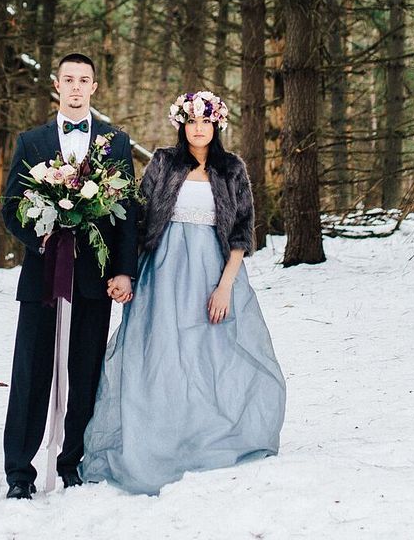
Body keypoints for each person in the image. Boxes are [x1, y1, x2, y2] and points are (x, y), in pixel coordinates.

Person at [81, 90, 286, 495]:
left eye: (205, 122)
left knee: (208, 353)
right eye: (191, 121)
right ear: (181, 124)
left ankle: (204, 435)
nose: (198, 128)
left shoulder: (232, 169)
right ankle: (156, 438)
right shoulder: (163, 162)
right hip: (163, 269)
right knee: (160, 353)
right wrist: (128, 272)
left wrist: (225, 286)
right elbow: (138, 219)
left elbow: (242, 232)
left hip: (212, 270)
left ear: (216, 125)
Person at [0, 53, 140, 499]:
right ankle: (19, 472)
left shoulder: (116, 143)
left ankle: (71, 461)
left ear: (94, 88)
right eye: (68, 79)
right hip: (44, 276)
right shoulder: (31, 141)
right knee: (31, 372)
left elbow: (127, 216)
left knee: (84, 373)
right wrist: (45, 232)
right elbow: (10, 207)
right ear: (56, 86)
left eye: (84, 80)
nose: (76, 87)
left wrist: (123, 270)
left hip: (95, 279)